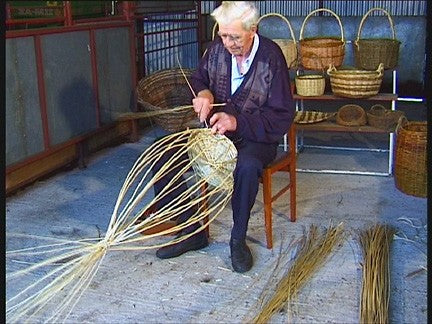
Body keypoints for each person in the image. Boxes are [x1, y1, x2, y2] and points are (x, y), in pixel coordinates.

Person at [154, 1, 294, 273]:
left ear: (253, 30)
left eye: (235, 37)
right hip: (215, 132)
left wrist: (237, 121)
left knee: (247, 166)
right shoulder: (216, 50)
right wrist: (204, 94)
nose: (228, 43)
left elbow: (281, 115)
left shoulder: (271, 57)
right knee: (163, 153)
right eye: (223, 35)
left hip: (257, 137)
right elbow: (199, 79)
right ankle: (191, 230)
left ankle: (237, 240)